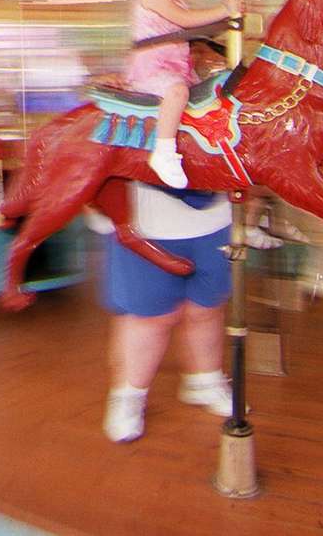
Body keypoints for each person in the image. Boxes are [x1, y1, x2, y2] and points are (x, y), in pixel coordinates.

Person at [87, 182, 247, 443]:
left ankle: (204, 380)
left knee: (206, 307)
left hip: (214, 215)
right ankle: (129, 394)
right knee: (149, 316)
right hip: (142, 221)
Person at [124, 0, 240, 188]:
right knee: (177, 92)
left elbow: (190, 27)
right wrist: (224, 9)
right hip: (153, 69)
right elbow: (185, 20)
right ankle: (163, 152)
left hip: (175, 65)